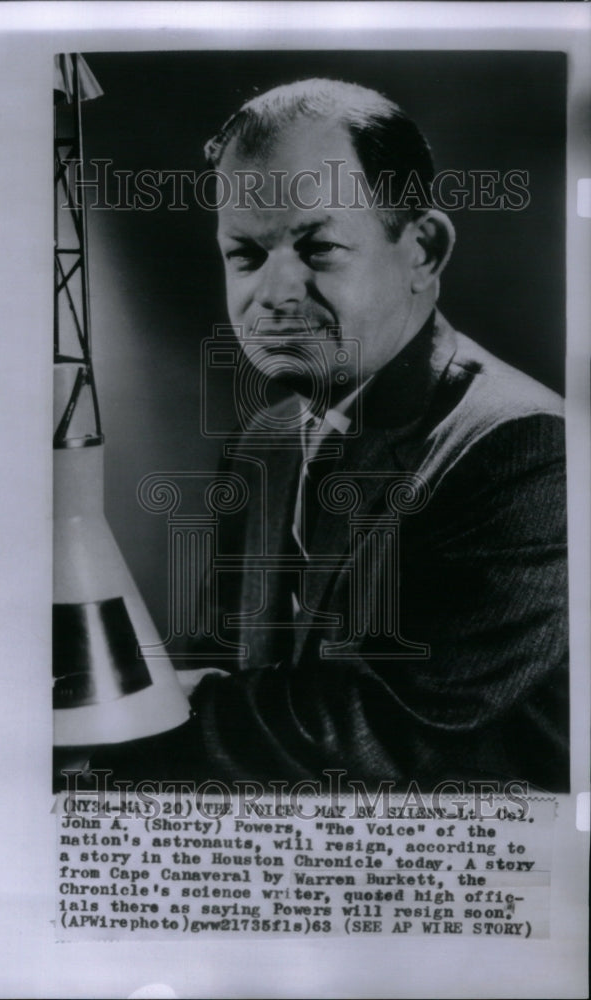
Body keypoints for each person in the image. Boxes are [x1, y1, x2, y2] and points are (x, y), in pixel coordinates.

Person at [97, 78, 569, 792]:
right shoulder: (266, 442)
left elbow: (382, 734)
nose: (274, 293)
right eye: (245, 256)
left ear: (423, 251)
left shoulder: (532, 453)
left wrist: (116, 730)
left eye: (318, 250)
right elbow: (222, 658)